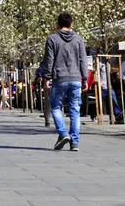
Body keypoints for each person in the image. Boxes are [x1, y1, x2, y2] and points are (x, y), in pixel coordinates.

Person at [40, 12, 88, 151]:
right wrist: (85, 77)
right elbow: (83, 59)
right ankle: (74, 142)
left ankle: (63, 133)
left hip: (59, 78)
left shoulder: (52, 39)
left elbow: (49, 60)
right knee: (75, 110)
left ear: (57, 24)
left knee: (55, 107)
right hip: (76, 78)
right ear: (71, 24)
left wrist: (47, 78)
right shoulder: (78, 39)